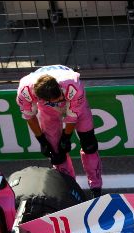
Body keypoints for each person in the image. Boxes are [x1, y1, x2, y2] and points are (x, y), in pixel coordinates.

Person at [16, 65, 103, 197]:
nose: (61, 102)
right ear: (41, 99)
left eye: (61, 98)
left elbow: (73, 115)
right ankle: (68, 187)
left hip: (74, 101)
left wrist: (66, 136)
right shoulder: (25, 91)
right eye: (56, 101)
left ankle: (96, 187)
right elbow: (29, 116)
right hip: (47, 110)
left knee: (89, 144)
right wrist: (42, 141)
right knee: (56, 152)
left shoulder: (73, 85)